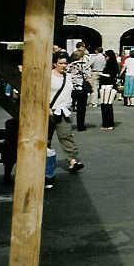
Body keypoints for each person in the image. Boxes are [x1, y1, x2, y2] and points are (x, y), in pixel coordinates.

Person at [49, 51, 84, 184]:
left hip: (64, 111)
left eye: (65, 63)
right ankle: (44, 163)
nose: (64, 66)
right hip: (50, 111)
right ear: (54, 64)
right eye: (61, 63)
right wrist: (46, 108)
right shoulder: (49, 76)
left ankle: (72, 161)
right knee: (46, 139)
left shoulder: (68, 76)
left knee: (66, 135)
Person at [67, 50, 91, 131]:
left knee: (69, 106)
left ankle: (66, 124)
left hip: (72, 88)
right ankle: (80, 125)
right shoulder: (85, 65)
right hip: (82, 88)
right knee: (81, 108)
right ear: (82, 57)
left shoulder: (70, 65)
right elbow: (88, 76)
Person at [99, 50, 120, 130]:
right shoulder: (113, 64)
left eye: (106, 56)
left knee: (106, 105)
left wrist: (101, 74)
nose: (105, 58)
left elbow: (110, 75)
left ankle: (107, 124)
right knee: (106, 105)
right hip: (108, 86)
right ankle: (107, 124)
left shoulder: (111, 65)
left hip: (108, 86)